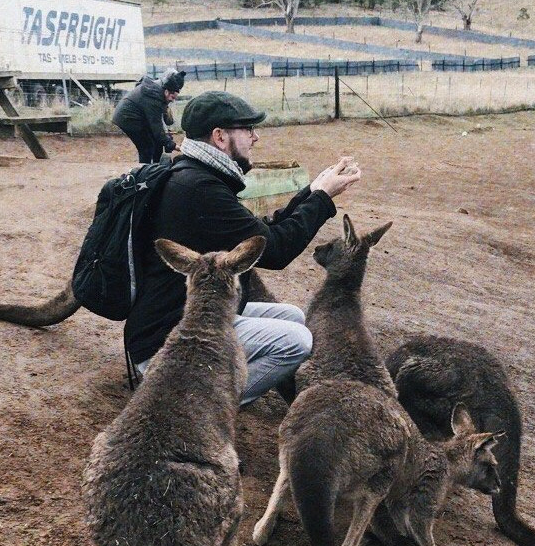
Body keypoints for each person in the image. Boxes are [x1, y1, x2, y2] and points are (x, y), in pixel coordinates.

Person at [123, 90, 361, 406]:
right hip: (168, 345)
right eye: (248, 129)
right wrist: (322, 200)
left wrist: (313, 191)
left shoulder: (196, 174)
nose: (256, 137)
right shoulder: (200, 188)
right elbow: (275, 251)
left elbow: (261, 230)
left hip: (185, 318)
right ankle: (198, 404)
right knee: (296, 342)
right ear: (220, 137)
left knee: (292, 316)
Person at [111, 68, 186, 164]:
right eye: (172, 97)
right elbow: (156, 126)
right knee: (147, 147)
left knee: (156, 143)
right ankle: (145, 173)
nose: (173, 100)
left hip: (135, 116)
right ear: (167, 91)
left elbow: (162, 123)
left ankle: (156, 168)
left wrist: (166, 138)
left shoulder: (158, 92)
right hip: (128, 118)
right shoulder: (154, 97)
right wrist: (171, 144)